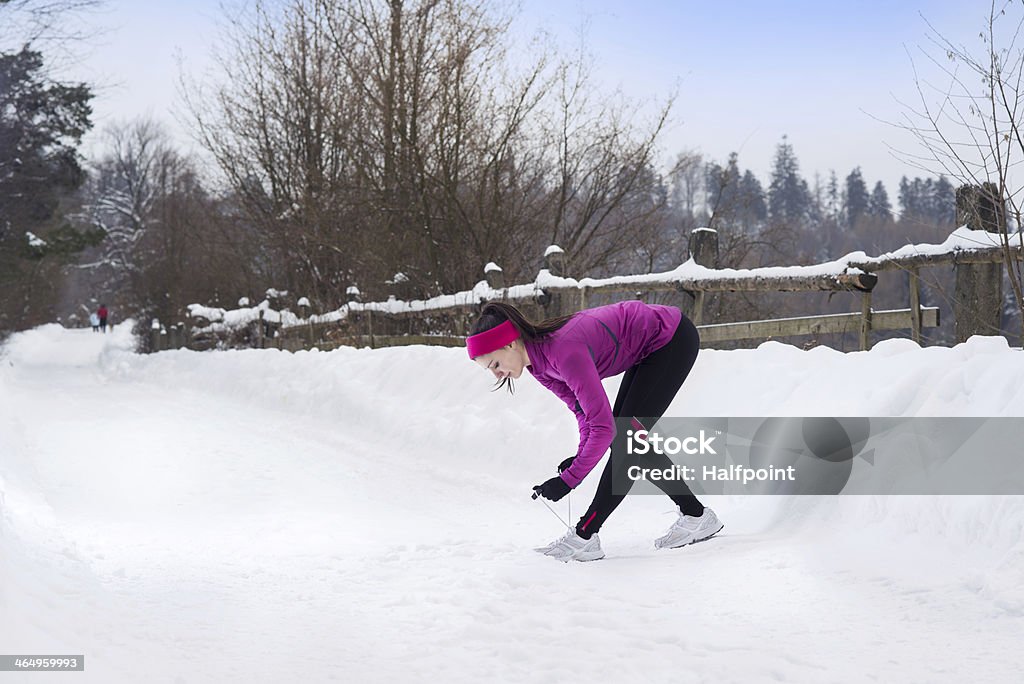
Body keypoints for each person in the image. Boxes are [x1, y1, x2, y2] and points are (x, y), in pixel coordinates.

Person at [467, 300, 723, 562]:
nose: (497, 375)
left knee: (626, 442)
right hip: (649, 348)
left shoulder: (563, 351)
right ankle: (696, 515)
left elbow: (603, 427)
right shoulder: (538, 366)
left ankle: (585, 535)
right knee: (628, 440)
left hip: (672, 339)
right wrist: (579, 458)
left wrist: (569, 480)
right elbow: (583, 413)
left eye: (495, 365)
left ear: (510, 344)